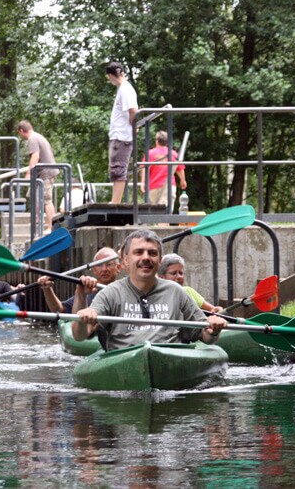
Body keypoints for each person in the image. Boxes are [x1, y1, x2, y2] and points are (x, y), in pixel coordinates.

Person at [72, 229, 226, 351]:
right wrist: (82, 319)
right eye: (138, 252)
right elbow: (79, 336)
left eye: (152, 253)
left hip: (170, 358)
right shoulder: (110, 293)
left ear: (159, 261)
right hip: (123, 360)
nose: (146, 258)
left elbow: (205, 336)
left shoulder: (176, 292)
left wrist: (213, 330)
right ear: (125, 260)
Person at [37, 247, 120, 313]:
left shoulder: (125, 290)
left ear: (118, 268)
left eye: (109, 264)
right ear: (94, 270)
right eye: (100, 265)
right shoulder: (88, 291)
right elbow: (59, 309)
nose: (104, 269)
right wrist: (47, 289)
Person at [17, 120, 59, 233]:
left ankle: (52, 226)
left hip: (46, 173)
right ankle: (36, 219)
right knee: (32, 194)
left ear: (21, 131)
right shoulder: (37, 136)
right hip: (40, 173)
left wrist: (29, 173)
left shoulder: (32, 138)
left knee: (46, 200)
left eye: (19, 134)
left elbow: (35, 156)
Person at [106, 61, 138, 204]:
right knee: (116, 169)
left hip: (122, 136)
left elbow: (133, 110)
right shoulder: (123, 89)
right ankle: (115, 201)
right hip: (120, 135)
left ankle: (115, 202)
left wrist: (134, 126)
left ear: (110, 76)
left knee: (119, 170)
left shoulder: (125, 89)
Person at [139, 130, 187, 212]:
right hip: (168, 187)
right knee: (166, 214)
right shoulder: (173, 154)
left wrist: (142, 183)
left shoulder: (150, 153)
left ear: (157, 141)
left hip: (153, 187)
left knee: (153, 214)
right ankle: (164, 224)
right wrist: (183, 181)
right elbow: (179, 169)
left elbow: (144, 169)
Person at [157, 254, 222, 313]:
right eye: (173, 273)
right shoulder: (157, 297)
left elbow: (213, 310)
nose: (179, 277)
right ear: (162, 277)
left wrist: (218, 310)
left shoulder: (188, 291)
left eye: (181, 273)